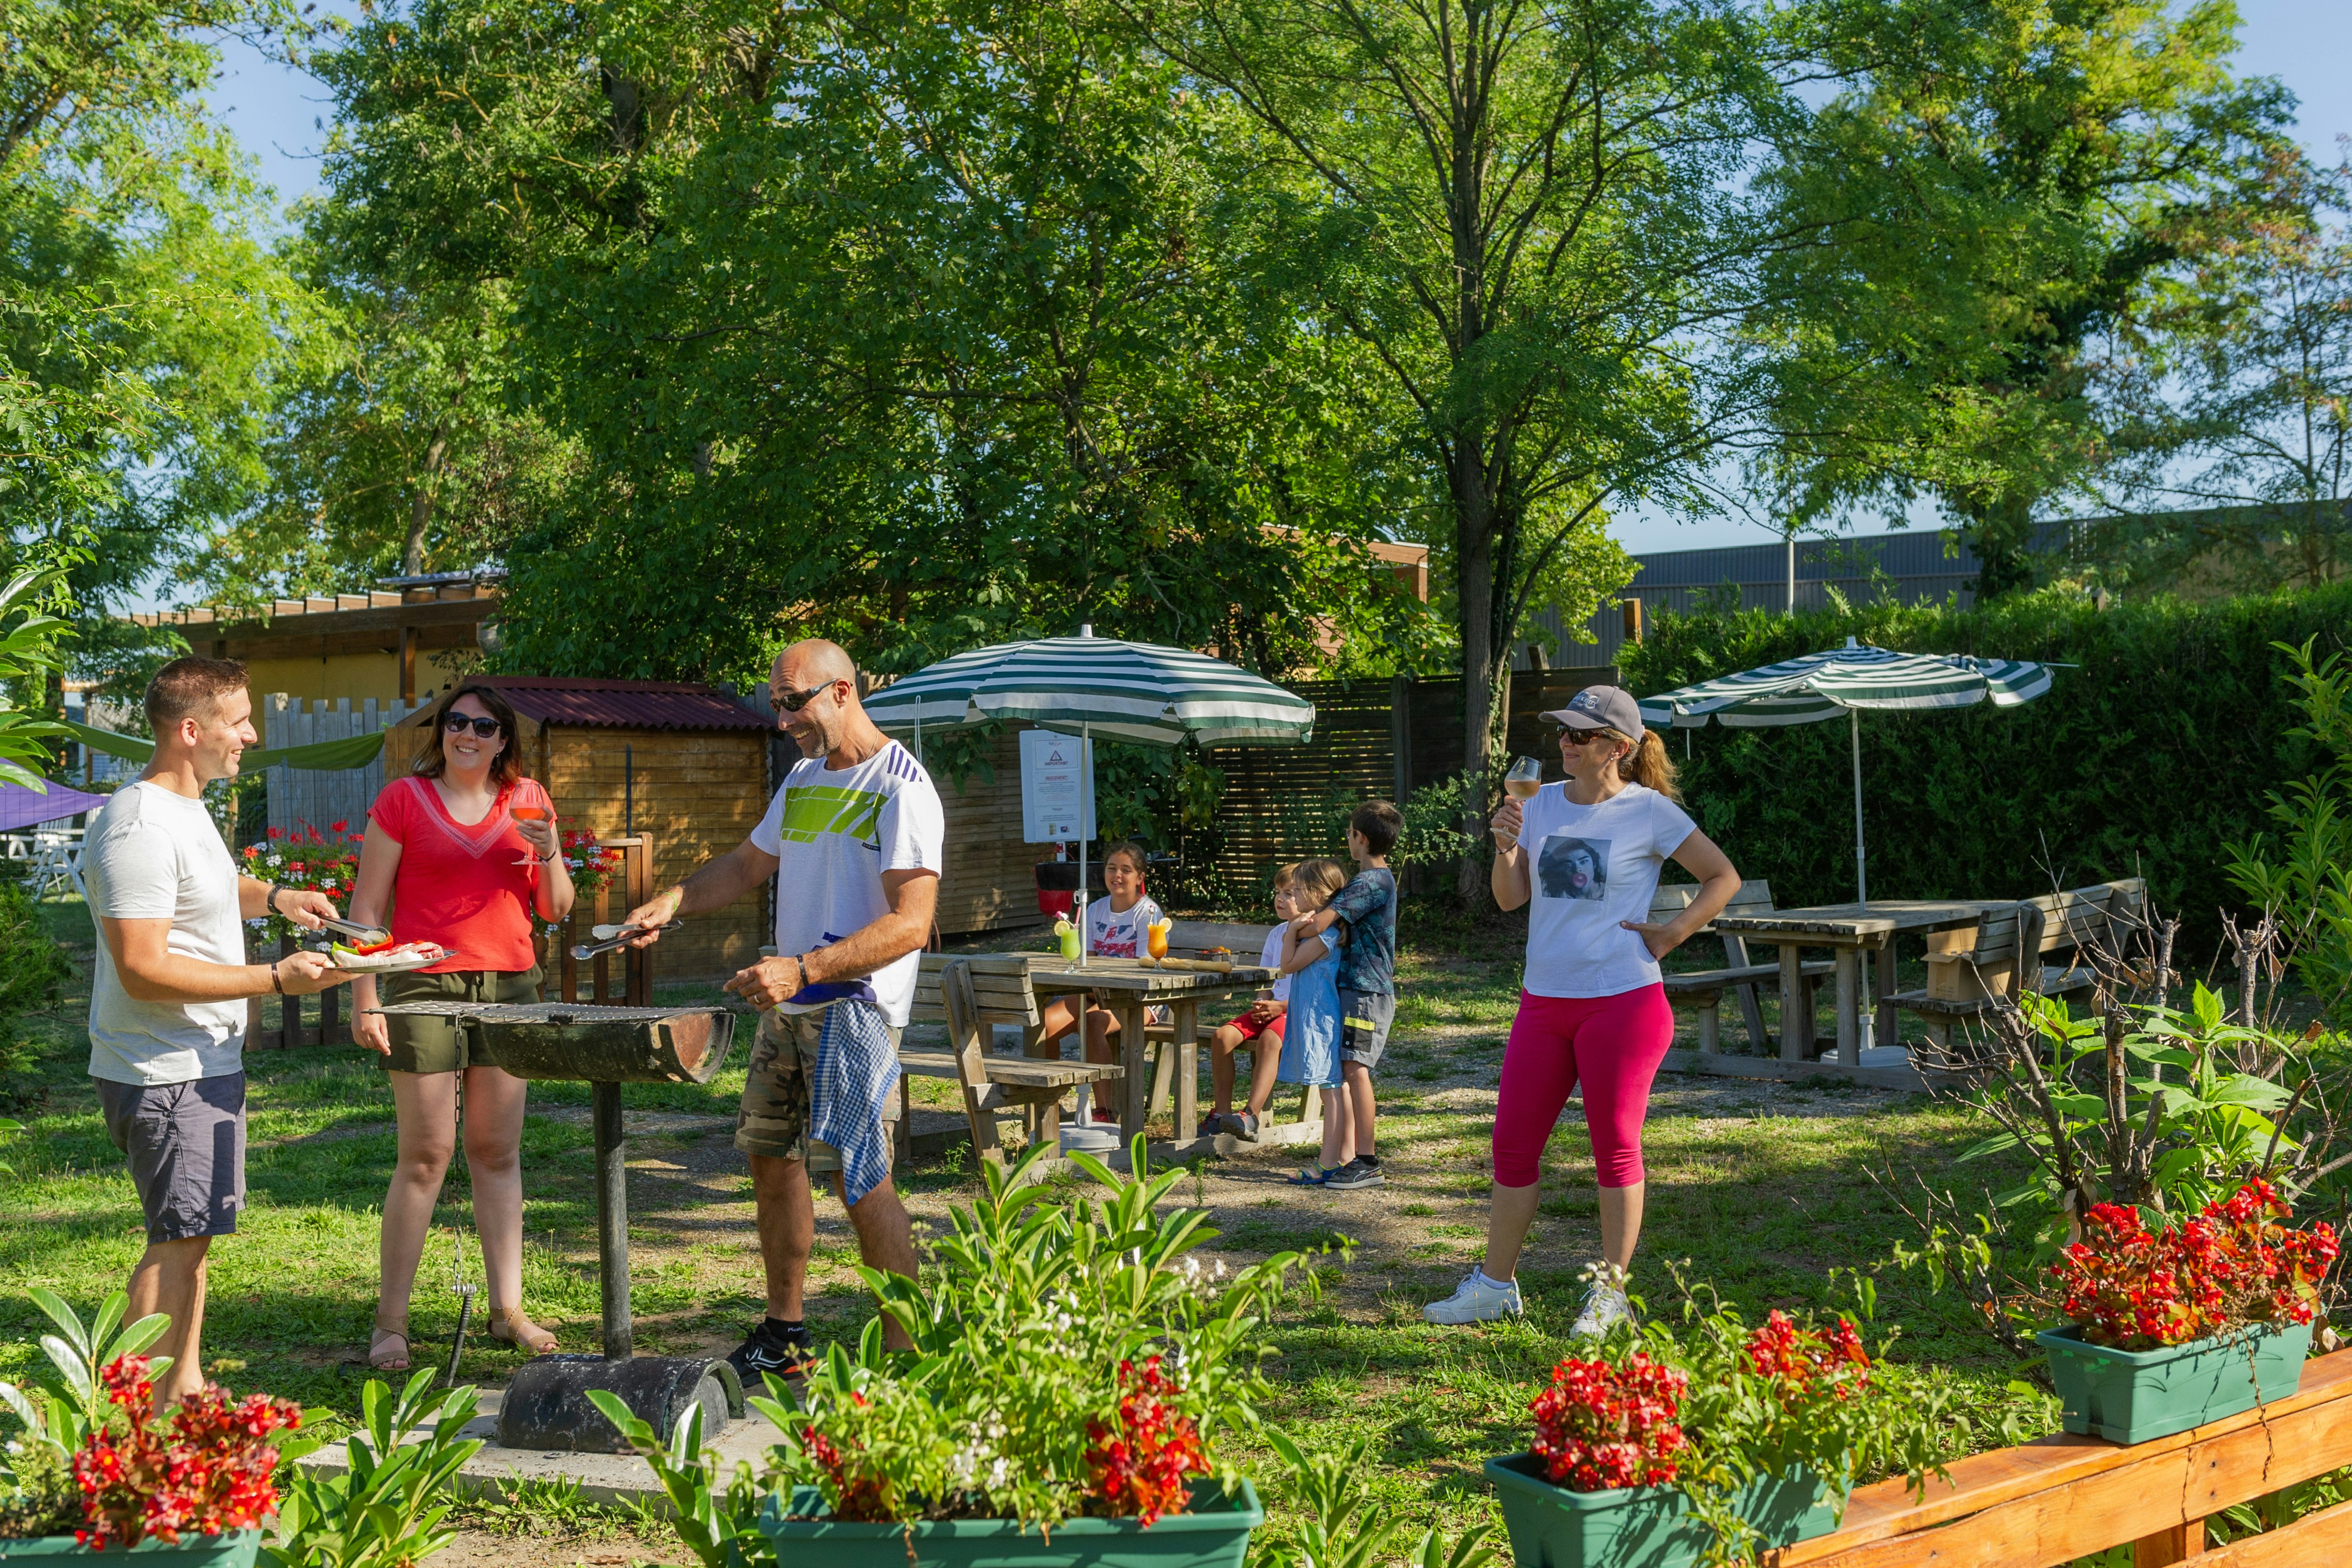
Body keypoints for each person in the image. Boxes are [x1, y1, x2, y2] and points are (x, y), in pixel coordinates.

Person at [617, 639, 942, 1381]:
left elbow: (911, 923)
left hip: (854, 1015)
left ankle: (906, 1355)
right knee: (771, 1161)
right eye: (776, 703)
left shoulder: (901, 787)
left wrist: (804, 969)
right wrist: (674, 901)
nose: (782, 719)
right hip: (788, 1007)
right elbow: (746, 863)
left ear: (841, 693)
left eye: (793, 702)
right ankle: (785, 1335)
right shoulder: (802, 780)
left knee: (861, 1179)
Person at [1423, 684, 1740, 1334]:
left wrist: (1672, 933)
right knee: (1511, 1146)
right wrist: (1506, 845)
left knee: (1614, 1151)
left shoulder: (1649, 812)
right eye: (1562, 733)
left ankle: (1610, 1294)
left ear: (1618, 748)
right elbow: (1510, 900)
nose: (1565, 743)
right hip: (1544, 1003)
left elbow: (1722, 877)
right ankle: (1494, 1286)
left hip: (1622, 1004)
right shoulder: (1535, 806)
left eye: (1580, 735)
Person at [81, 657, 351, 1404]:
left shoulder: (185, 810)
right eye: (238, 721)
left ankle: (186, 1386)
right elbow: (142, 967)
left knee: (194, 1234)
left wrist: (277, 897)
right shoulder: (136, 826)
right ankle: (133, 1423)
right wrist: (274, 980)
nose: (251, 734)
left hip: (201, 1062)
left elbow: (203, 887)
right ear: (191, 730)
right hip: (164, 1069)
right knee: (175, 1243)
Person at [346, 682, 574, 1370]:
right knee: (424, 1157)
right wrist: (365, 993)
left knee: (496, 1153)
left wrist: (552, 847)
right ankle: (392, 1323)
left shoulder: (529, 798)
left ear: (504, 738)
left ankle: (509, 1313)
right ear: (442, 731)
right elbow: (367, 905)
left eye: (482, 726)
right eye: (455, 723)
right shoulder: (402, 800)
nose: (466, 735)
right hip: (421, 985)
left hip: (510, 987)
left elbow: (556, 909)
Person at [1282, 801, 1401, 1192]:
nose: (1348, 840)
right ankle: (1356, 1157)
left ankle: (1366, 1161)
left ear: (1360, 838)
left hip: (1367, 991)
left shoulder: (1370, 882)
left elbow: (1320, 923)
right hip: (1357, 989)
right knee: (1351, 1069)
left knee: (1355, 1069)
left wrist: (1295, 929)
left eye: (1350, 833)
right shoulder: (1371, 880)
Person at [1035, 841, 1162, 1120]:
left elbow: (1144, 968)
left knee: (1092, 1022)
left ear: (1140, 878)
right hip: (1095, 992)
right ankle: (1048, 1104)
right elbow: (1087, 961)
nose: (1117, 876)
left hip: (1138, 998)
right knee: (1042, 1025)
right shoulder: (1094, 910)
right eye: (1111, 868)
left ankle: (1105, 1108)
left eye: (1126, 870)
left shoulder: (1148, 912)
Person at [1275, 858, 1350, 1184]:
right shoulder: (1322, 932)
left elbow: (1288, 965)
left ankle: (1329, 1162)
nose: (1296, 896)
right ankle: (1344, 1155)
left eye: (1300, 890)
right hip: (1318, 1017)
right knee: (1334, 1088)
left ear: (1319, 894)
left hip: (1322, 1020)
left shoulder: (1325, 936)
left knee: (1331, 1090)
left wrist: (1291, 930)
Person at [1209, 863, 1297, 1138]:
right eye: (1278, 892)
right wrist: (1261, 1004)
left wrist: (1280, 1008)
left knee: (1270, 1040)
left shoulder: (1315, 936)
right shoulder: (1276, 934)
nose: (1280, 899)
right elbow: (1266, 980)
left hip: (1295, 1013)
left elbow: (1313, 993)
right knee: (1222, 1036)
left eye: (1289, 894)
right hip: (1272, 1010)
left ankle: (1250, 1116)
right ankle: (1222, 1113)